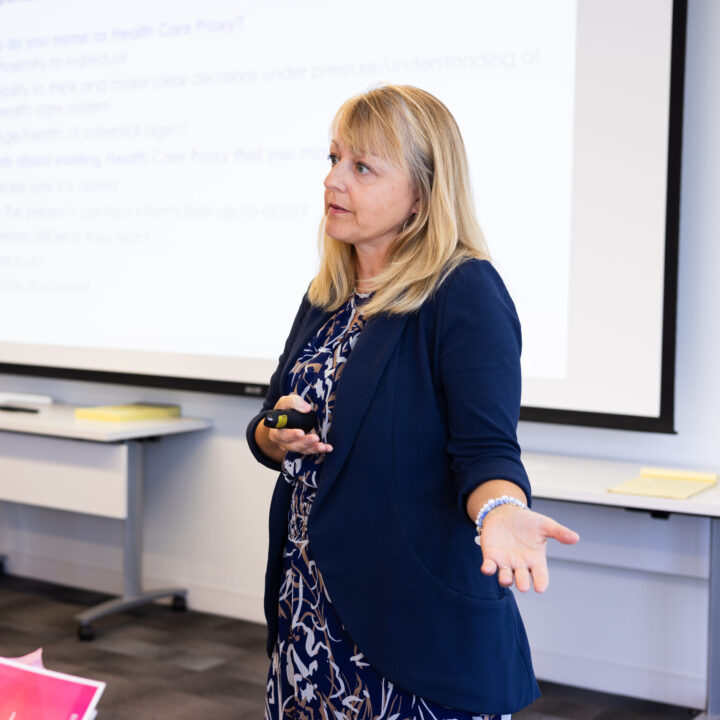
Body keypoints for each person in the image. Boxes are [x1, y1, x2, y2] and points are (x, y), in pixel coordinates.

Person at [246, 84, 579, 720]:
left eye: (362, 167)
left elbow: (484, 450)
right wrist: (276, 432)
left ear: (422, 194)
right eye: (333, 159)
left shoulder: (463, 290)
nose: (334, 180)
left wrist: (502, 509)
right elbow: (268, 423)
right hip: (310, 612)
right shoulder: (327, 296)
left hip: (408, 628)